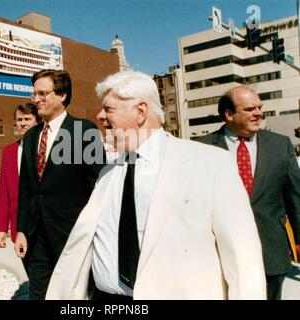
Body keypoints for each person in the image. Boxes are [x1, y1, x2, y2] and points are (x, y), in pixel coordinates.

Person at [45, 71, 266, 300]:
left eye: (108, 109)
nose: (99, 116)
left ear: (140, 111)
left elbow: (243, 258)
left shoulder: (210, 164)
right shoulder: (108, 173)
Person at [197, 85, 300, 300]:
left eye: (260, 107)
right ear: (229, 114)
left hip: (270, 251)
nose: (258, 113)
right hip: (220, 255)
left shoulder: (280, 145)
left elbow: (296, 198)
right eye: (250, 109)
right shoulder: (202, 148)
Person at [14, 69, 105, 300]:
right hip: (36, 236)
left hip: (71, 234)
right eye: (35, 94)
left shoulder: (82, 131)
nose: (36, 100)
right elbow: (26, 187)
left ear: (62, 95)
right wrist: (22, 230)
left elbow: (100, 185)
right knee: (39, 294)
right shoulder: (32, 136)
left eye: (43, 94)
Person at [0, 103, 41, 248]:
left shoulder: (48, 148)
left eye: (27, 119)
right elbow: (4, 194)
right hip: (20, 226)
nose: (23, 123)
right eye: (19, 120)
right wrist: (1, 228)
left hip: (45, 225)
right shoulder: (8, 152)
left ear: (37, 121)